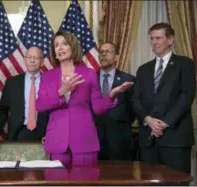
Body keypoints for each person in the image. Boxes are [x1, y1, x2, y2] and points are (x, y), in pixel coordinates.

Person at [36, 31, 133, 165]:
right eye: (56, 45)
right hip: (57, 140)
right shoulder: (48, 76)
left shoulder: (88, 73)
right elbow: (40, 105)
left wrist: (112, 95)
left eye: (64, 44)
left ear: (73, 47)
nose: (60, 48)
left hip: (84, 140)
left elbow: (98, 108)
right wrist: (61, 91)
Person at [132, 23, 196, 174]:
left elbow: (186, 96)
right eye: (152, 38)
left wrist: (164, 123)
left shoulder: (185, 64)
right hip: (148, 141)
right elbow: (135, 100)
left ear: (170, 40)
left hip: (175, 139)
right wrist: (148, 120)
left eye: (159, 38)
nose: (154, 42)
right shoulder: (143, 69)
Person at [0, 47, 49, 147]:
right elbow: (3, 111)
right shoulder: (12, 83)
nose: (32, 60)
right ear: (24, 59)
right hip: (18, 133)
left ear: (42, 61)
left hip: (45, 135)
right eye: (29, 57)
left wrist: (53, 134)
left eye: (36, 58)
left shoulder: (50, 82)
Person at [94, 42, 136, 161]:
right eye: (101, 52)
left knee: (120, 177)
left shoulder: (128, 80)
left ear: (116, 57)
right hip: (94, 139)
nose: (103, 55)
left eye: (108, 52)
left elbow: (133, 109)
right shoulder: (91, 78)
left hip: (119, 140)